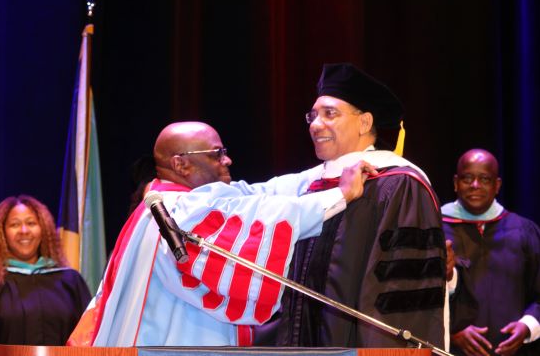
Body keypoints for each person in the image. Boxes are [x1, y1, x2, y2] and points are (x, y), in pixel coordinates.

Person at [68, 121, 375, 347]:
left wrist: (330, 171)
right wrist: (342, 196)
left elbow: (260, 193)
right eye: (216, 154)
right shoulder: (178, 211)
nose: (227, 160)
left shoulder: (157, 207)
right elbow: (269, 217)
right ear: (181, 163)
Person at [244, 63, 449, 349]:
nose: (316, 125)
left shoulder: (399, 185)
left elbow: (398, 296)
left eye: (330, 114)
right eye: (313, 115)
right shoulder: (307, 185)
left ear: (365, 122)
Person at [442, 149, 540, 356]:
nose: (475, 185)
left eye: (485, 179)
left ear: (497, 186)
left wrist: (528, 326)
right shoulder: (435, 229)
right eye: (467, 178)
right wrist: (451, 329)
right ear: (455, 182)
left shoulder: (524, 231)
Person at [0, 195, 91, 345]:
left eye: (31, 223)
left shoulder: (70, 281)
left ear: (43, 229)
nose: (24, 230)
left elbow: (89, 336)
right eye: (14, 224)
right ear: (2, 233)